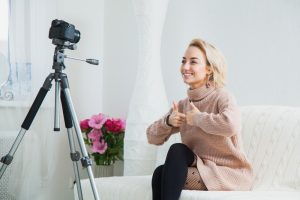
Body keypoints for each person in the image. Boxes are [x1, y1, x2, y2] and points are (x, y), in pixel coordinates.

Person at [146, 38, 253, 200]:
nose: (185, 67)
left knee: (162, 173)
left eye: (193, 62)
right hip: (201, 166)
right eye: (183, 61)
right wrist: (168, 121)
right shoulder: (183, 106)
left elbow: (231, 125)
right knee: (168, 162)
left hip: (230, 173)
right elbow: (151, 136)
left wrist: (197, 118)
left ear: (209, 69)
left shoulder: (222, 97)